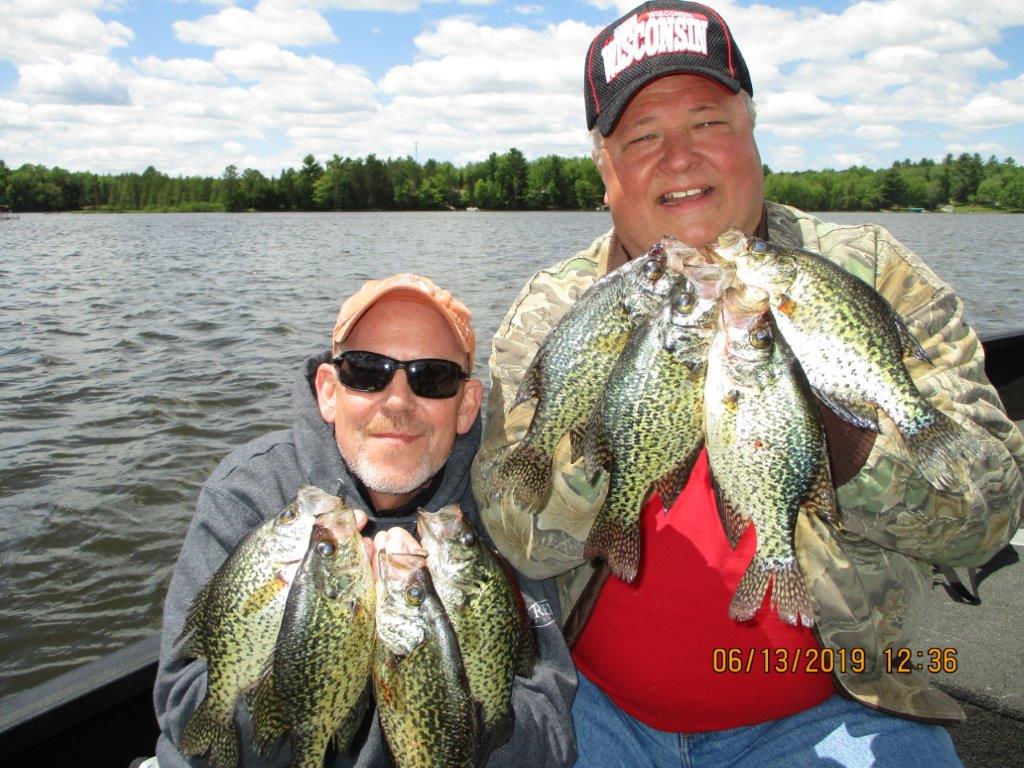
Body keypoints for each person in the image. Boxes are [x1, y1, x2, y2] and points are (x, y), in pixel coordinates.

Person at [471, 2, 1024, 766]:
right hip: (594, 710)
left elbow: (988, 516)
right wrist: (610, 431)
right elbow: (518, 535)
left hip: (843, 709)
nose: (679, 157)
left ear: (753, 134)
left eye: (707, 123)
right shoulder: (563, 308)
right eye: (642, 137)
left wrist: (844, 424)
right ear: (605, 170)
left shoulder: (861, 274)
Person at [153, 273, 578, 767]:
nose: (397, 401)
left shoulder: (499, 511)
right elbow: (189, 706)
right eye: (366, 371)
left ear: (466, 406)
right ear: (328, 391)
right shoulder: (248, 493)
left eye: (432, 378)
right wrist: (314, 660)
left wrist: (437, 702)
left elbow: (548, 730)